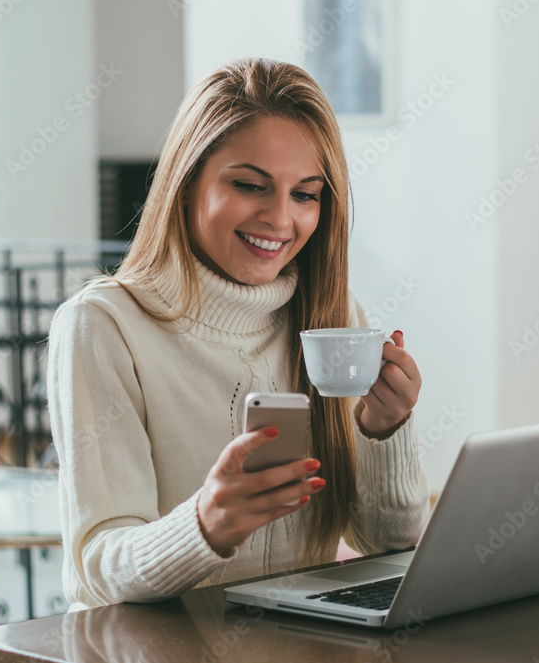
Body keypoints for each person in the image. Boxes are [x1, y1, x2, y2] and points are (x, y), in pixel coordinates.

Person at [47, 58, 430, 610]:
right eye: (251, 185)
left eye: (306, 194)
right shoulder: (104, 326)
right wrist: (205, 525)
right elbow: (99, 573)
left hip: (303, 644)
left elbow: (390, 543)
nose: (280, 218)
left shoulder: (333, 313)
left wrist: (384, 428)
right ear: (185, 183)